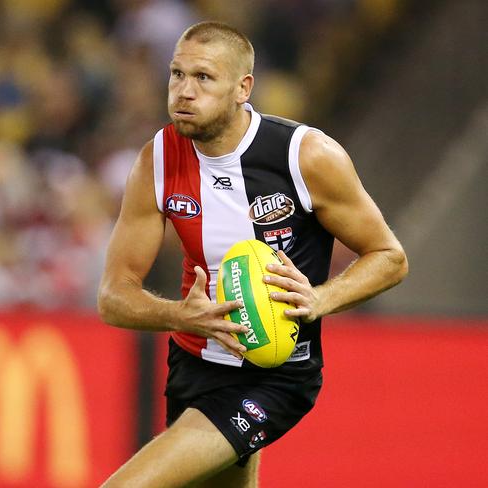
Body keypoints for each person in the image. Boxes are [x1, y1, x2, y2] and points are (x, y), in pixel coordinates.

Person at [97, 21, 408, 488]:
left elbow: (389, 257)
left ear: (244, 88)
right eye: (176, 74)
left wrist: (320, 300)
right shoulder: (157, 161)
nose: (184, 91)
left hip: (275, 377)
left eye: (203, 78)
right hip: (193, 367)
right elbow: (113, 297)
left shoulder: (305, 156)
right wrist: (182, 316)